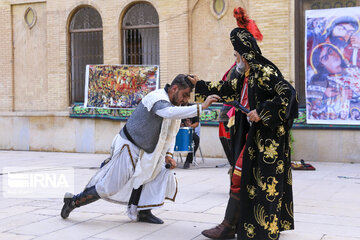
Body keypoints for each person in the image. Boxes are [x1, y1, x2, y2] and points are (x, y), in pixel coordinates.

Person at [195, 7, 298, 240]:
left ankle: (230, 226)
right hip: (254, 136)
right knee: (244, 178)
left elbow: (288, 94)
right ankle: (233, 225)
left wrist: (262, 111)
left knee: (248, 178)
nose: (235, 59)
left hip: (269, 140)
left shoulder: (264, 71)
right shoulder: (245, 75)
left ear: (243, 53)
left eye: (235, 54)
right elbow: (226, 89)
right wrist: (198, 85)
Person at [60, 74, 220, 224]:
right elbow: (168, 112)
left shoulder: (174, 103)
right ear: (174, 89)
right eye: (184, 95)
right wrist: (201, 107)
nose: (185, 100)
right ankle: (73, 201)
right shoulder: (157, 98)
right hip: (128, 145)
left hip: (149, 149)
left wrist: (169, 155)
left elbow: (170, 134)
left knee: (153, 175)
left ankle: (142, 211)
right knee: (109, 186)